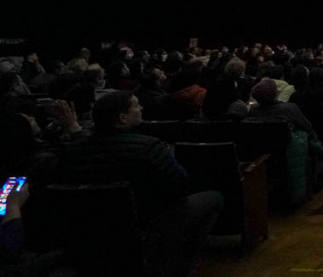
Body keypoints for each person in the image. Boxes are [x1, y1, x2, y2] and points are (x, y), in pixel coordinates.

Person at [52, 91, 223, 277]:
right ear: (122, 118)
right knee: (213, 198)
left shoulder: (70, 154)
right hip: (146, 227)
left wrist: (76, 131)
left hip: (90, 235)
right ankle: (178, 265)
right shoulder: (149, 147)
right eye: (136, 106)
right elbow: (180, 186)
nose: (141, 108)